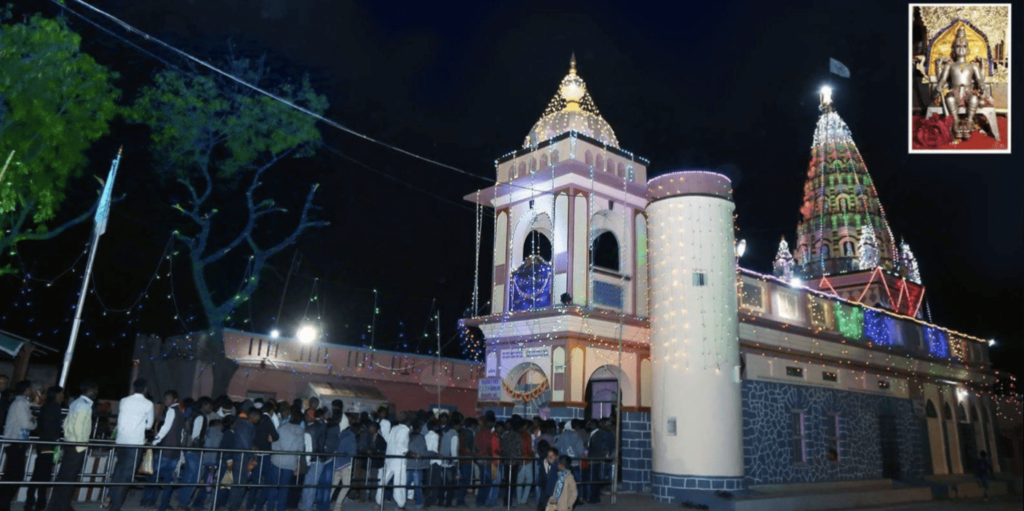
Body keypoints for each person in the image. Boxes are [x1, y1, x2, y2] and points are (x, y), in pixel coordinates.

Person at [46, 381, 98, 511]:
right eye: (95, 390)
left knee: (63, 476)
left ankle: (55, 505)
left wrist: (69, 438)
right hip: (77, 446)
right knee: (69, 478)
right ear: (90, 390)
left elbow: (66, 423)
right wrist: (81, 444)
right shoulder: (85, 406)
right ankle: (62, 506)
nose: (96, 393)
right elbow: (78, 427)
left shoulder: (76, 402)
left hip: (69, 442)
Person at [108, 379, 155, 511]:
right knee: (126, 476)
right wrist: (139, 425)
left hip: (121, 440)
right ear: (145, 389)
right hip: (135, 442)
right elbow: (149, 426)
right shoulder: (148, 404)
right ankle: (115, 507)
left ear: (134, 388)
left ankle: (109, 496)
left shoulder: (124, 400)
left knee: (119, 471)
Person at [0, 380, 37, 511]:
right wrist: (33, 421)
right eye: (30, 388)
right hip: (16, 442)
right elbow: (27, 424)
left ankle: (4, 503)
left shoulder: (22, 403)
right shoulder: (20, 403)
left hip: (16, 442)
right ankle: (3, 504)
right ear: (26, 390)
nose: (31, 391)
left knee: (13, 475)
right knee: (14, 476)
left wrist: (31, 420)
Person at [25, 386, 64, 511]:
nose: (63, 396)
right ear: (56, 395)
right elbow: (52, 427)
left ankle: (31, 501)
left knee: (38, 473)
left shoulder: (47, 406)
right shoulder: (54, 407)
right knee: (44, 475)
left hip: (43, 442)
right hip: (49, 444)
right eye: (61, 394)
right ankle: (39, 503)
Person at [147, 390, 185, 511]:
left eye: (168, 398)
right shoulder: (180, 412)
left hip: (166, 449)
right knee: (168, 480)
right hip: (175, 451)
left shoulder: (171, 411)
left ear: (175, 400)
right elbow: (181, 433)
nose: (166, 401)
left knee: (152, 474)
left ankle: (149, 500)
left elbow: (165, 428)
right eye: (165, 399)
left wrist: (155, 442)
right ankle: (163, 505)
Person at [265, 406, 305, 511]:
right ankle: (280, 508)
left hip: (277, 460)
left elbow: (275, 442)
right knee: (284, 488)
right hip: (290, 463)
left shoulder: (282, 428)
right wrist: (297, 465)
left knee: (274, 486)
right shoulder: (300, 432)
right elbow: (300, 450)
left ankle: (270, 507)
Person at [177, 397, 213, 510]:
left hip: (188, 449)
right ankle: (183, 502)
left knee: (188, 476)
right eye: (209, 406)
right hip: (194, 450)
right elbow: (195, 435)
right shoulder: (200, 417)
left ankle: (182, 501)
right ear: (204, 405)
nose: (211, 408)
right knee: (194, 478)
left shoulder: (193, 414)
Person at [376, 412, 410, 509]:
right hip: (399, 461)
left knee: (383, 481)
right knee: (399, 483)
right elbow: (400, 445)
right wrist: (408, 452)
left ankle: (378, 502)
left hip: (389, 459)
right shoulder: (404, 430)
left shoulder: (394, 428)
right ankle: (400, 504)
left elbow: (389, 441)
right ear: (408, 421)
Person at [299, 408, 328, 511]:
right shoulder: (321, 427)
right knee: (312, 484)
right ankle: (307, 506)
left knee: (308, 483)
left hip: (310, 458)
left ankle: (305, 505)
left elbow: (308, 446)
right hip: (317, 458)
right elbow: (321, 444)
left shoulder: (308, 428)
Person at [328, 410, 356, 511]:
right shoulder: (350, 435)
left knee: (333, 485)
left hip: (336, 462)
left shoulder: (337, 433)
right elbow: (352, 451)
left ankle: (326, 503)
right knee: (346, 486)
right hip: (346, 463)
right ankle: (338, 506)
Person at [586, 419, 615, 504]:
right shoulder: (595, 433)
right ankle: (596, 496)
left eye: (592, 424)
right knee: (595, 479)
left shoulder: (600, 433)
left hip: (595, 459)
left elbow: (604, 446)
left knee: (594, 479)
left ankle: (594, 497)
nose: (590, 426)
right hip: (596, 458)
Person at [474, 418, 499, 507]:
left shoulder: (479, 432)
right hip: (486, 458)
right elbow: (489, 447)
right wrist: (490, 458)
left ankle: (480, 500)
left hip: (480, 457)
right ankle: (481, 501)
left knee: (484, 480)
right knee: (487, 480)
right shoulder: (488, 433)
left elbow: (476, 445)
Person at [405, 421, 430, 510]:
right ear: (420, 428)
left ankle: (401, 503)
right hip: (417, 464)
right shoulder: (420, 437)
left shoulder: (408, 436)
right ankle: (419, 504)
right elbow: (423, 451)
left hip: (408, 463)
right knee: (417, 485)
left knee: (406, 485)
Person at [515, 420, 535, 507]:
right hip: (527, 459)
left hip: (521, 459)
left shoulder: (518, 435)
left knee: (520, 481)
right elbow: (529, 447)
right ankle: (523, 499)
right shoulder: (527, 435)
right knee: (529, 480)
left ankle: (520, 499)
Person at [536, 447, 559, 511]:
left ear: (556, 457)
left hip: (553, 495)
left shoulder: (557, 467)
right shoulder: (543, 464)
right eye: (549, 456)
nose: (550, 458)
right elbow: (541, 479)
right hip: (544, 494)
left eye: (552, 456)